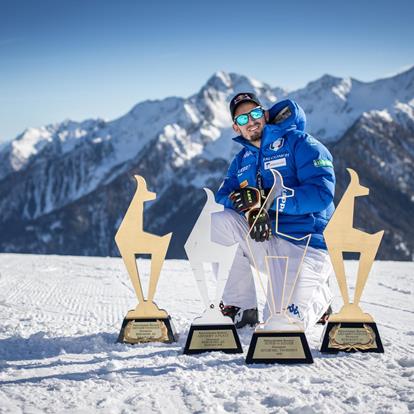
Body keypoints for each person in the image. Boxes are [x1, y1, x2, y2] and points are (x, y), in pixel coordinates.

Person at [212, 92, 335, 329]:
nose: (250, 121)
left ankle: (321, 296)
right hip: (266, 240)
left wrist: (271, 200)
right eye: (242, 119)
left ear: (265, 115)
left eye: (255, 113)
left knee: (280, 325)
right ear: (236, 128)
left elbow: (321, 193)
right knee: (219, 222)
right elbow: (222, 194)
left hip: (305, 244)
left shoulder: (301, 143)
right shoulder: (242, 160)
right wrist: (240, 201)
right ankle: (241, 307)